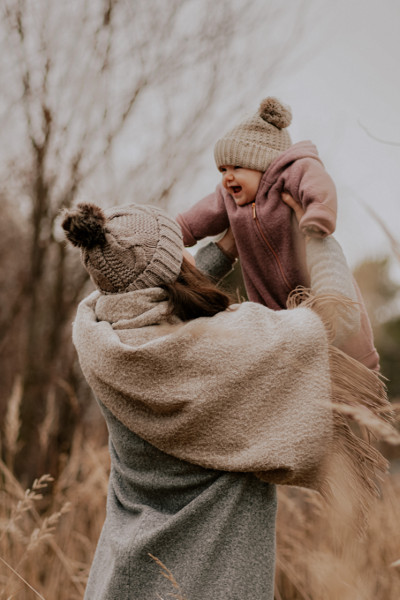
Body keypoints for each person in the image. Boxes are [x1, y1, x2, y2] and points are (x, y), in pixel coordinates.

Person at [62, 199, 390, 600]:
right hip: (210, 581)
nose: (187, 254)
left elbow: (159, 301)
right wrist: (315, 234)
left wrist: (228, 244)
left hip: (125, 578)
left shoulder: (100, 342)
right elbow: (330, 323)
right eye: (179, 250)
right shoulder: (224, 349)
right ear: (172, 266)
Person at [176, 96, 379, 370]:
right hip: (272, 302)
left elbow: (319, 185)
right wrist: (174, 234)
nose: (227, 177)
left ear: (261, 162)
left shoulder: (291, 173)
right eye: (222, 170)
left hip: (315, 283)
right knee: (289, 353)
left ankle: (362, 369)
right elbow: (197, 218)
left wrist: (318, 214)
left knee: (345, 346)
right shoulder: (228, 198)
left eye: (237, 167)